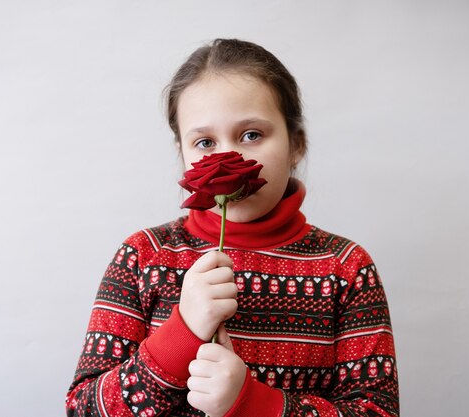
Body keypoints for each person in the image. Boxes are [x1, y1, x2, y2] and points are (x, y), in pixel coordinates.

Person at [66, 38, 399, 417]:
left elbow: (377, 412)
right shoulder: (143, 256)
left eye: (251, 135)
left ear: (296, 145)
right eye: (205, 141)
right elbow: (83, 410)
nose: (228, 157)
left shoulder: (347, 267)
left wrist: (253, 402)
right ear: (183, 155)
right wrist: (182, 333)